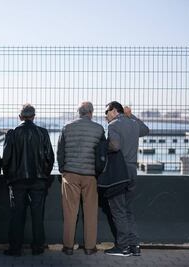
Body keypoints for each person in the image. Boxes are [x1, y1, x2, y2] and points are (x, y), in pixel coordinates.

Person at [2, 103, 55, 256]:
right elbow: (49, 158)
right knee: (38, 215)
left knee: (17, 215)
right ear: (33, 116)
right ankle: (38, 247)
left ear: (20, 117)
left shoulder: (12, 133)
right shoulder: (42, 133)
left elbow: (6, 159)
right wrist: (44, 175)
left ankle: (15, 248)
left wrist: (9, 177)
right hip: (38, 181)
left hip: (17, 181)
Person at [57, 101, 105, 256]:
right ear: (91, 112)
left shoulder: (66, 127)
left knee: (70, 212)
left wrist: (63, 170)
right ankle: (90, 247)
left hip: (70, 174)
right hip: (91, 175)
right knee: (90, 212)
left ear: (79, 112)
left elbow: (60, 152)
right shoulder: (99, 129)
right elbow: (102, 153)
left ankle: (68, 247)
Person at [103, 101, 149, 257]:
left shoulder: (113, 125)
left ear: (114, 111)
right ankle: (134, 245)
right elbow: (146, 130)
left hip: (119, 172)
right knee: (128, 210)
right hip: (132, 171)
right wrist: (132, 116)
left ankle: (122, 247)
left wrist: (103, 147)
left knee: (118, 210)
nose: (105, 116)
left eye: (106, 112)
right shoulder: (133, 124)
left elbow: (115, 146)